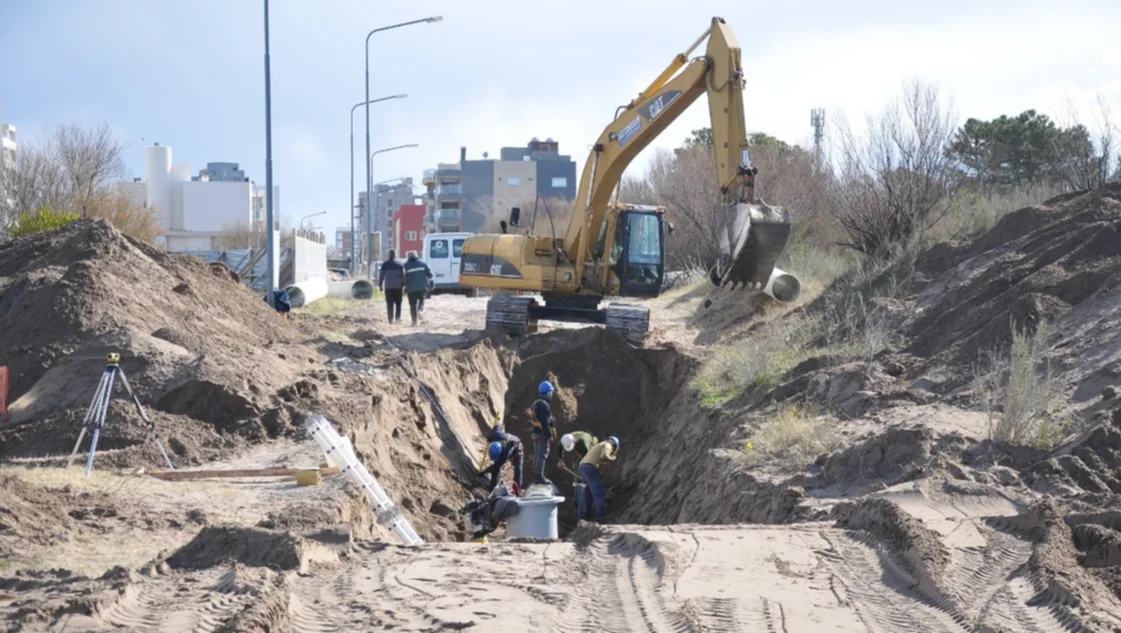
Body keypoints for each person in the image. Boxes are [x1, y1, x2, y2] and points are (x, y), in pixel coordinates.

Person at [578, 436, 620, 520]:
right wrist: (611, 458)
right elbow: (604, 455)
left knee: (588, 492)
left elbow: (599, 458)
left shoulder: (599, 445)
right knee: (598, 491)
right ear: (614, 444)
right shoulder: (608, 445)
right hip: (590, 468)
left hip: (582, 467)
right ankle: (602, 515)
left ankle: (587, 514)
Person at [559, 431, 597, 521]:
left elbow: (589, 458)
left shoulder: (584, 443)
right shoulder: (565, 440)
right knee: (576, 472)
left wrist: (586, 471)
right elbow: (559, 447)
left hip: (588, 454)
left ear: (574, 442)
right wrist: (561, 459)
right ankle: (577, 500)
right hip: (578, 450)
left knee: (585, 477)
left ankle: (587, 505)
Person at [478, 424, 523, 494]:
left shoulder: (505, 454)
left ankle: (517, 491)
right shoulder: (495, 435)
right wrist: (490, 436)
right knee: (496, 467)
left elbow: (495, 467)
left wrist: (483, 472)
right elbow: (498, 426)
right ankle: (492, 489)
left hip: (517, 447)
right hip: (507, 442)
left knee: (518, 469)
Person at [531, 380, 558, 486]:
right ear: (548, 393)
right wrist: (549, 435)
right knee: (542, 455)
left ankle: (536, 476)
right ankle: (539, 477)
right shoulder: (544, 406)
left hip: (536, 433)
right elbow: (544, 422)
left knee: (537, 454)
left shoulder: (537, 403)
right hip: (541, 434)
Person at [403, 250, 434, 327]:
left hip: (411, 289)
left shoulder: (405, 266)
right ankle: (420, 310)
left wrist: (403, 287)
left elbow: (403, 278)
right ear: (416, 256)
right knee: (422, 300)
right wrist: (432, 285)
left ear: (408, 257)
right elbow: (430, 275)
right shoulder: (423, 264)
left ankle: (414, 323)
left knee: (413, 305)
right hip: (422, 287)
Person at [377, 250, 405, 324]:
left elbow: (381, 276)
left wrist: (380, 285)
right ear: (395, 255)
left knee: (389, 304)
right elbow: (403, 276)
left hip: (388, 287)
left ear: (389, 255)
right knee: (398, 303)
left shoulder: (385, 264)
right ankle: (397, 319)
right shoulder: (400, 265)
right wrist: (404, 285)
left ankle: (390, 319)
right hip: (398, 287)